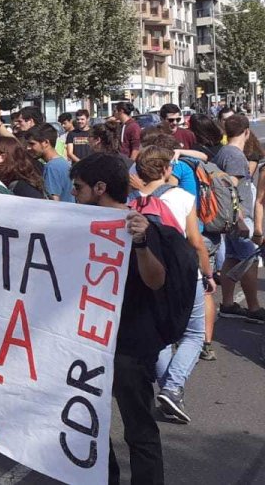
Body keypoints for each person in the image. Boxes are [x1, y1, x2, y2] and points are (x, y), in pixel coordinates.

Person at [70, 153, 166, 484]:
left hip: (129, 347)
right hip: (89, 340)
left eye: (78, 187)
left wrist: (140, 244)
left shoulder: (140, 226)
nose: (72, 193)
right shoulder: (76, 223)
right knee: (90, 421)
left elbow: (156, 280)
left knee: (138, 427)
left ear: (100, 187)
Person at [128, 144, 214, 425]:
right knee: (193, 334)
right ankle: (172, 387)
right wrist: (208, 274)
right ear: (166, 170)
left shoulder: (132, 201)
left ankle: (169, 391)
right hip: (184, 275)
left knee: (162, 334)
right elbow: (195, 242)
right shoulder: (182, 197)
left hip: (150, 271)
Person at [214, 114, 264, 322]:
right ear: (246, 131)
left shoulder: (225, 151)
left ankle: (227, 304)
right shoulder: (235, 155)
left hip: (232, 217)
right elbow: (229, 188)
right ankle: (253, 308)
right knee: (249, 259)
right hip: (239, 217)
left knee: (233, 258)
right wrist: (240, 218)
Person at [26, 124, 74, 203]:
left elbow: (53, 202)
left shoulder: (51, 167)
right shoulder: (63, 163)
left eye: (32, 144)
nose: (28, 148)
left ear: (46, 142)